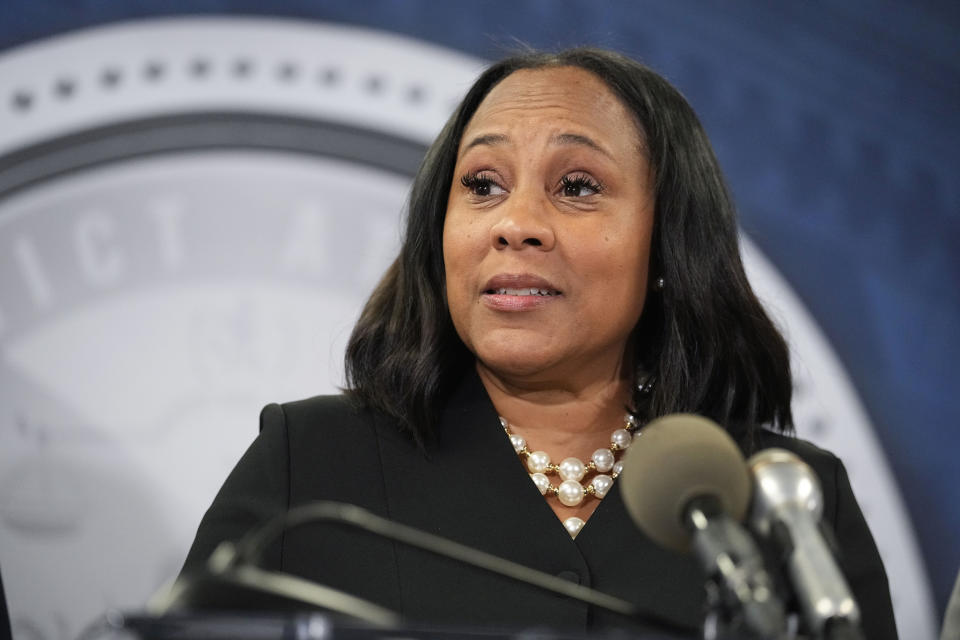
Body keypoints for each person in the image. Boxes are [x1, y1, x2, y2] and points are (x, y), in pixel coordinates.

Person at [181, 48, 897, 638]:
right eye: (483, 185)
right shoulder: (310, 465)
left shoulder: (784, 501)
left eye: (578, 185)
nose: (515, 223)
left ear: (669, 246)